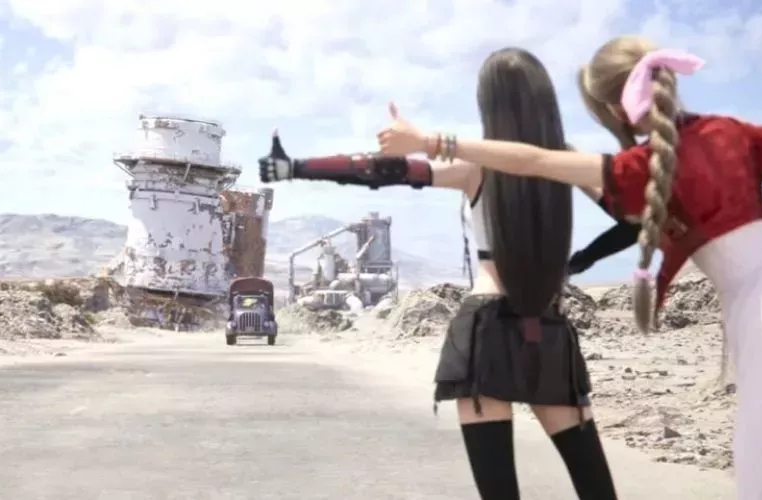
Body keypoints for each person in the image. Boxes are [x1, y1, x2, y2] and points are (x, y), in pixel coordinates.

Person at [365, 35, 762, 500]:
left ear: (615, 109)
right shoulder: (723, 131)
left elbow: (531, 160)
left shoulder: (635, 166)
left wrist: (426, 142)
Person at [259, 48, 618, 500]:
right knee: (595, 487)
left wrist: (296, 167)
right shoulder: (568, 160)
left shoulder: (474, 165)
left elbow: (379, 171)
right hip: (547, 327)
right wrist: (578, 262)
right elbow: (635, 220)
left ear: (488, 105)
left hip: (486, 328)